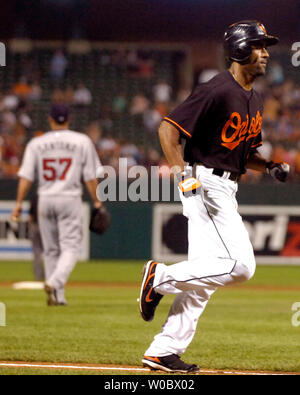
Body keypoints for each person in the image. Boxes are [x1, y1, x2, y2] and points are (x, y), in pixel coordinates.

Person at [139, 21, 290, 373]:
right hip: (205, 183)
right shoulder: (218, 89)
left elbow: (242, 151)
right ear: (239, 49)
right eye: (259, 45)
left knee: (203, 282)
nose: (266, 53)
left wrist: (267, 166)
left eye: (266, 46)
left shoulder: (253, 96)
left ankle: (162, 351)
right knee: (241, 266)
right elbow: (168, 128)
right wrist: (182, 175)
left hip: (225, 184)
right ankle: (159, 278)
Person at [11, 104, 102, 306]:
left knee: (51, 250)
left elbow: (26, 177)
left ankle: (57, 296)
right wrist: (97, 201)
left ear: (50, 120)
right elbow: (89, 176)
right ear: (68, 119)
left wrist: (18, 203)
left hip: (45, 197)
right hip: (69, 197)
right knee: (70, 247)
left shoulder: (37, 143)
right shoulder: (82, 141)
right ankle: (54, 282)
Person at [28, 193, 45, 281]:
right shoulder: (49, 196)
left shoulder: (36, 196)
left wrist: (31, 227)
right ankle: (52, 275)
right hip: (47, 226)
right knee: (52, 252)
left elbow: (30, 215)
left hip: (36, 225)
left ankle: (38, 276)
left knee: (37, 253)